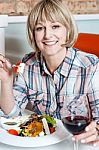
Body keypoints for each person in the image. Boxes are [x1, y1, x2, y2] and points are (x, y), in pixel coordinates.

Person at [0, 0, 99, 146]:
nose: (47, 35)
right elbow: (12, 115)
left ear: (68, 29)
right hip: (44, 144)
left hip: (79, 143)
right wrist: (6, 82)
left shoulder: (91, 66)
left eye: (55, 26)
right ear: (33, 34)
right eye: (40, 28)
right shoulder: (28, 64)